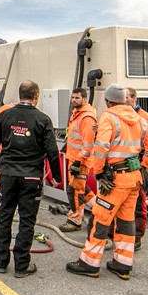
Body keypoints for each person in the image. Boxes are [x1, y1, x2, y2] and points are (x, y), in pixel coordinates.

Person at [66, 83, 148, 280]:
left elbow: (101, 147)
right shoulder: (139, 119)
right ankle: (122, 264)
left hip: (114, 180)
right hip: (134, 179)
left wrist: (100, 172)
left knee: (100, 219)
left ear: (108, 101)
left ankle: (89, 263)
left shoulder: (108, 117)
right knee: (126, 221)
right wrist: (146, 168)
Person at [0, 81, 61, 278]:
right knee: (27, 221)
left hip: (8, 176)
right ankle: (21, 265)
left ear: (20, 94)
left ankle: (1, 261)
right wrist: (56, 176)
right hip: (31, 177)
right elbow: (52, 151)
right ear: (36, 96)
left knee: (4, 217)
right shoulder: (42, 119)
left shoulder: (5, 115)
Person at [59, 87, 97, 232]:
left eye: (77, 98)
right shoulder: (77, 114)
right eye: (73, 97)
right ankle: (98, 210)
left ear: (84, 99)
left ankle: (75, 220)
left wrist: (78, 161)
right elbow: (75, 136)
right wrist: (67, 146)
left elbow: (88, 144)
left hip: (80, 161)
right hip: (74, 157)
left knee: (75, 190)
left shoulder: (87, 118)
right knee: (81, 189)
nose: (74, 100)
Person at [126, 87, 148, 251]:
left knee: (138, 204)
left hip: (139, 167)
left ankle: (136, 238)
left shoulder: (145, 118)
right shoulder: (120, 117)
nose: (124, 100)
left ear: (134, 98)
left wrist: (146, 168)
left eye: (126, 97)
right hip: (124, 168)